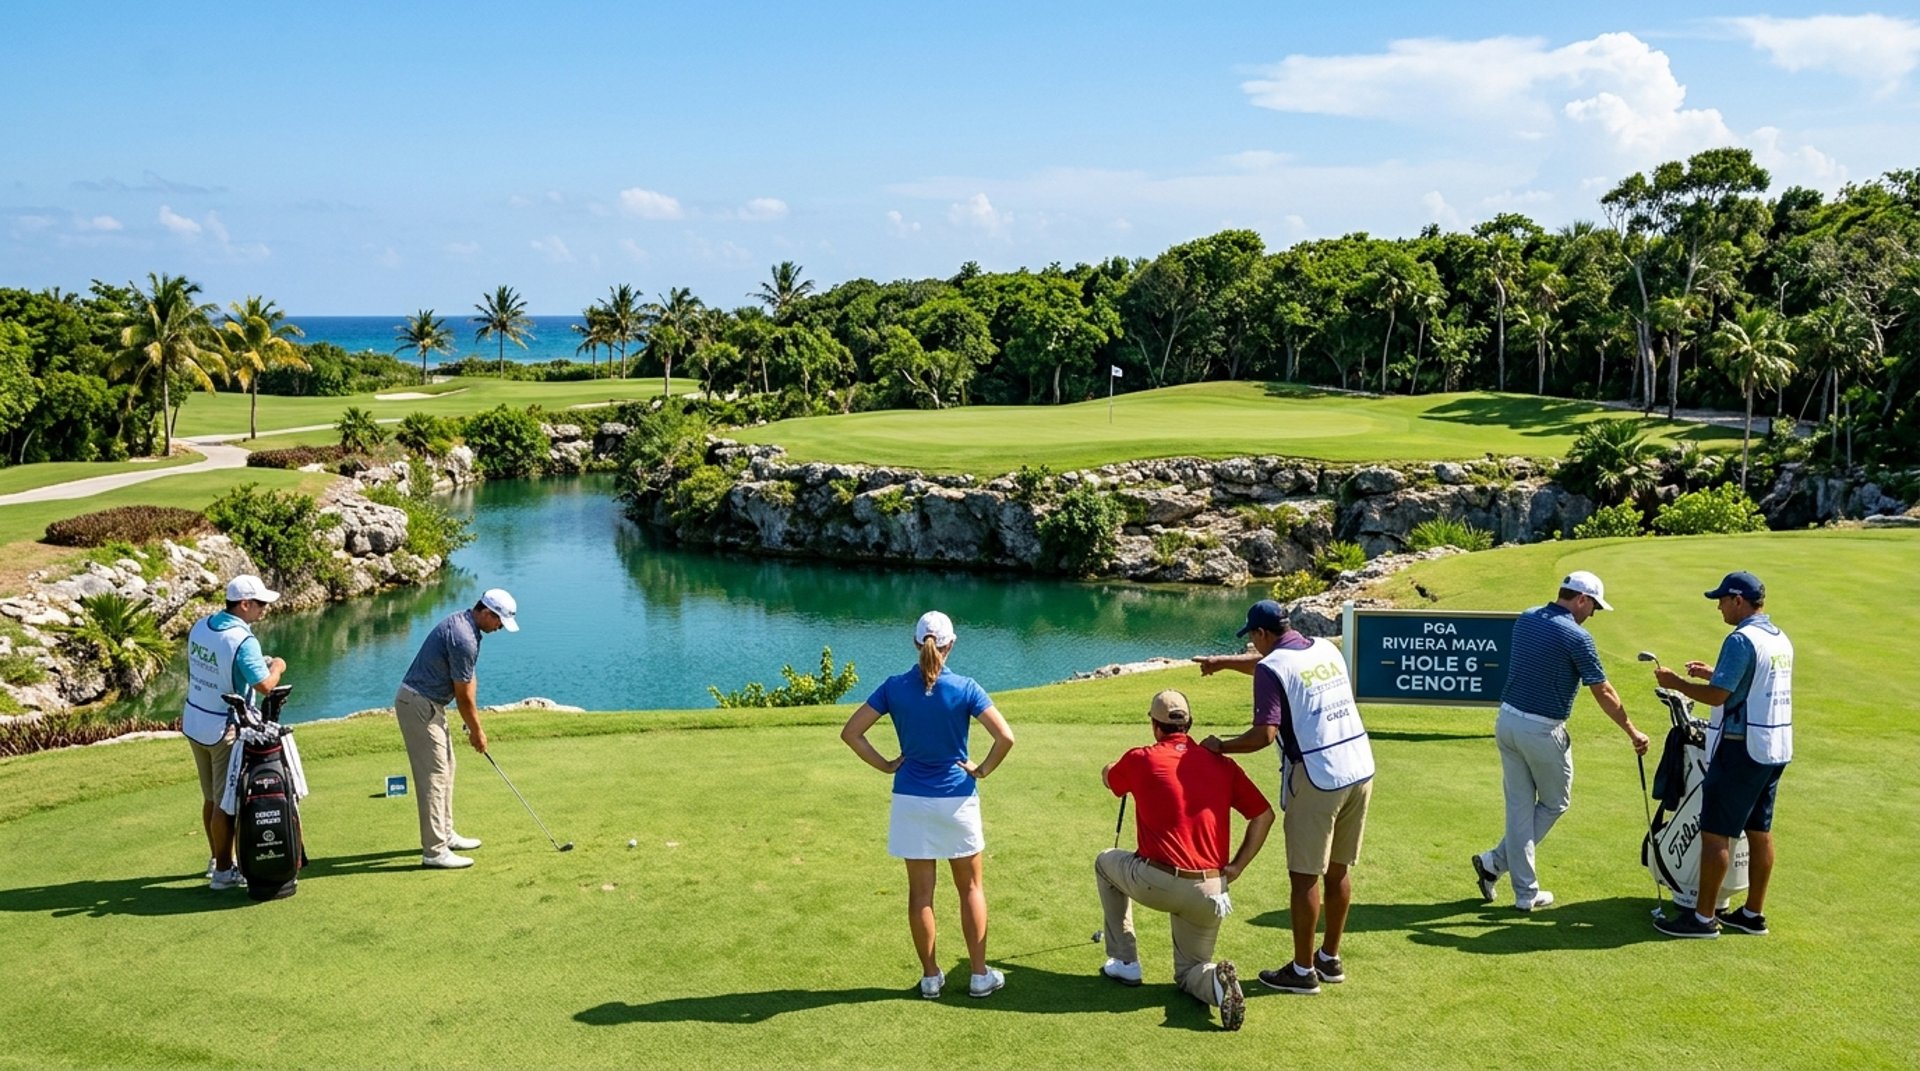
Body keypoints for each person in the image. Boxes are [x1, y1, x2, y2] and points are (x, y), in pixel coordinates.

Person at [1197, 599, 1373, 995]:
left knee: (1304, 876)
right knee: (1339, 870)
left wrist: (1219, 746)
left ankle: (1302, 970)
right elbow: (1274, 667)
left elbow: (1264, 734)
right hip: (1360, 768)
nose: (1253, 647)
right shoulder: (1324, 648)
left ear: (1261, 634)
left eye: (1253, 639)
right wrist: (1223, 663)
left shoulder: (1270, 667)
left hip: (1317, 776)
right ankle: (1329, 957)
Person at [840, 611, 1016, 1000]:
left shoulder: (894, 687)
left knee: (921, 894)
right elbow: (1005, 737)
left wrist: (887, 765)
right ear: (950, 644)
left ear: (917, 643)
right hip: (957, 799)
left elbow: (851, 733)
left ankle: (931, 977)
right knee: (970, 887)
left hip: (910, 800)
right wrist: (981, 770)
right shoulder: (967, 687)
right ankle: (978, 975)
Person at [1468, 570, 1649, 911]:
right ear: (1581, 599)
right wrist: (1632, 730)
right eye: (1593, 606)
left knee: (1520, 808)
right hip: (1540, 729)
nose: (1593, 614)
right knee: (1553, 803)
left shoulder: (1527, 618)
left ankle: (1508, 878)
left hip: (1506, 721)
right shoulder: (1577, 637)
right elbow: (1603, 691)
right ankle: (1503, 871)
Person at [1097, 689, 1273, 1030]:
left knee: (1105, 862)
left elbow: (1111, 780)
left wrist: (1108, 768)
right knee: (1191, 970)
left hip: (1156, 881)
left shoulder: (1141, 758)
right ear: (1189, 724)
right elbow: (1263, 815)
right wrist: (1235, 868)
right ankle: (1218, 987)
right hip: (1211, 890)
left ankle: (1124, 960)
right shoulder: (1222, 764)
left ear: (1154, 724)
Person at [1652, 571, 1792, 939]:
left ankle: (1701, 919)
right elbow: (1753, 682)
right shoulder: (1779, 638)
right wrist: (1716, 673)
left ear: (1738, 600)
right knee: (1759, 831)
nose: (1718, 607)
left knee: (1716, 834)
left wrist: (1678, 683)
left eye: (1722, 600)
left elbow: (1719, 697)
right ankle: (1752, 914)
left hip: (1740, 748)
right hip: (1774, 748)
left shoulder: (1741, 639)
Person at [395, 588, 519, 869]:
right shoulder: (463, 637)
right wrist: (477, 731)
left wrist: (470, 721)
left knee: (447, 766)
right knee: (434, 776)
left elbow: (467, 678)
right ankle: (435, 851)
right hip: (418, 704)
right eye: (499, 621)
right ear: (486, 612)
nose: (499, 627)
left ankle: (446, 834)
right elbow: (462, 695)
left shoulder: (469, 627)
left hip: (430, 703)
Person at [182, 575, 286, 890]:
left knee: (211, 798)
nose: (265, 608)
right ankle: (224, 874)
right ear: (244, 604)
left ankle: (218, 858)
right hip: (223, 730)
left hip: (195, 720)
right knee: (225, 802)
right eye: (261, 603)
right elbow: (266, 686)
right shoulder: (243, 640)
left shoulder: (201, 625)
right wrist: (278, 665)